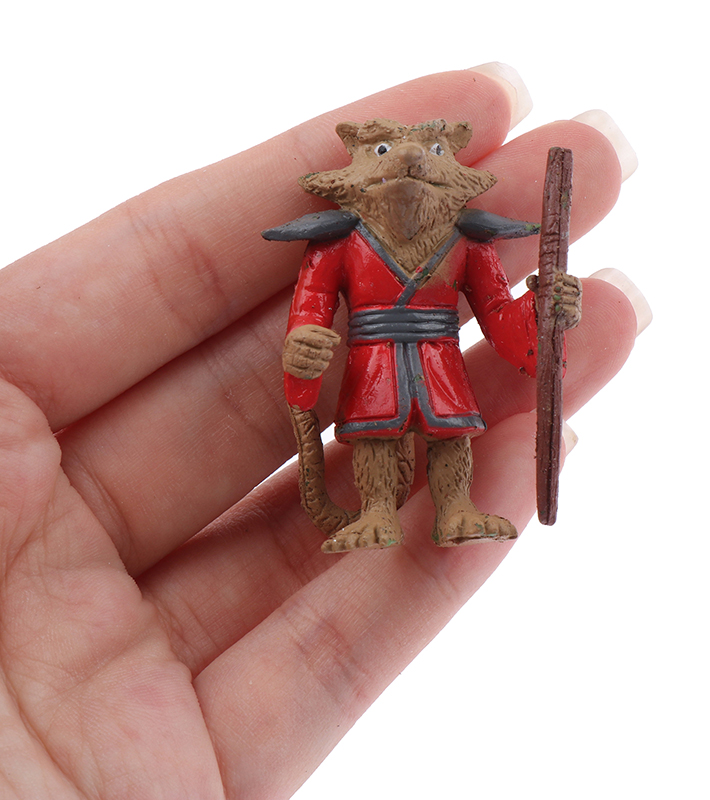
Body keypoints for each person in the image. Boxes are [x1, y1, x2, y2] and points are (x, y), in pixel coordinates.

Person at [0, 65, 646, 798]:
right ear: (352, 169)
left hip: (439, 355)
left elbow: (503, 323)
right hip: (371, 358)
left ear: (455, 170)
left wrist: (548, 311)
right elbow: (309, 312)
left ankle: (455, 507)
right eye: (384, 152)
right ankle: (374, 510)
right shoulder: (336, 244)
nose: (410, 162)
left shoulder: (471, 245)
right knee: (374, 444)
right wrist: (304, 349)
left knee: (453, 437)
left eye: (431, 152)